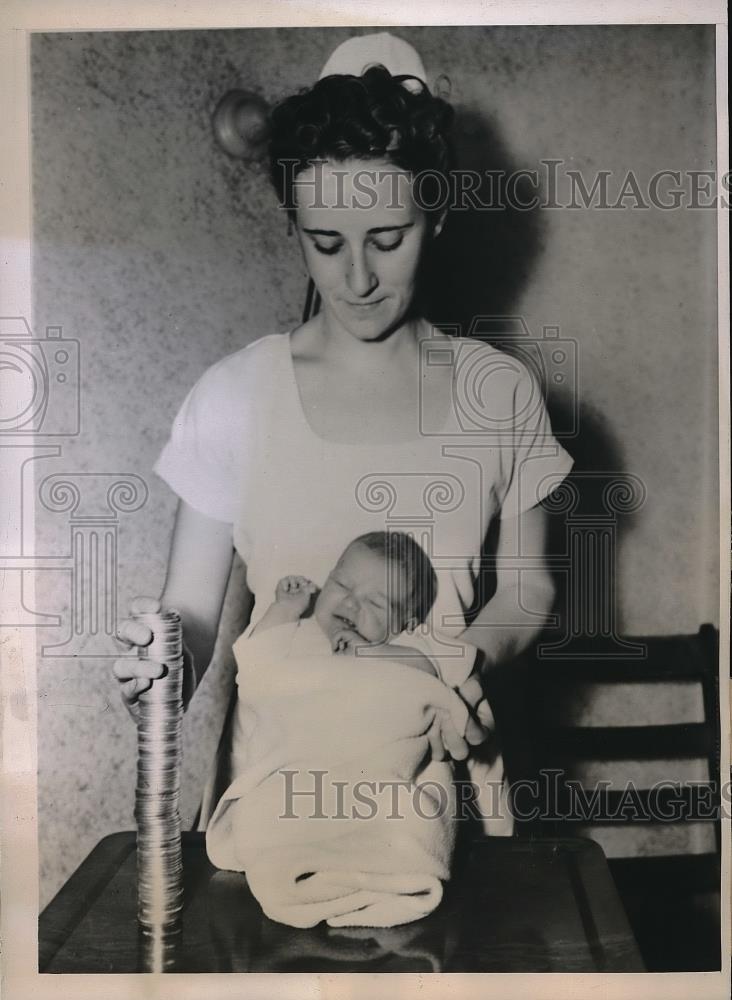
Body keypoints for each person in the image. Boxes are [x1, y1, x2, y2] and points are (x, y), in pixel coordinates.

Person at [113, 59, 574, 820]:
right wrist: (161, 667)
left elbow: (528, 586)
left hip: (439, 797)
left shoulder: (502, 392)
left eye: (387, 238)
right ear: (292, 224)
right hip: (270, 801)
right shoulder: (234, 395)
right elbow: (190, 614)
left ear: (438, 217)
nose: (357, 277)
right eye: (326, 242)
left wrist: (464, 662)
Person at [251, 531, 442, 677]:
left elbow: (428, 675)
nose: (350, 602)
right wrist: (285, 608)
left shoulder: (402, 647)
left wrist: (369, 653)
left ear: (407, 624)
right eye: (342, 585)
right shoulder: (299, 628)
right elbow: (253, 662)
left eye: (375, 603)